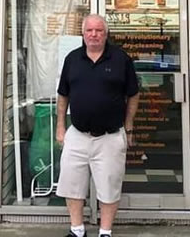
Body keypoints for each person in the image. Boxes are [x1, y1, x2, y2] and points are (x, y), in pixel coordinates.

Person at [56, 14, 139, 237]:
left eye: (99, 30)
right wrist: (61, 126)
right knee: (72, 185)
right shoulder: (72, 59)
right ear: (83, 34)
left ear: (106, 33)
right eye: (89, 30)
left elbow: (133, 95)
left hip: (110, 136)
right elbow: (63, 95)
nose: (94, 34)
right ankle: (77, 230)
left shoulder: (121, 59)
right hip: (78, 134)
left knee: (109, 187)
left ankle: (105, 232)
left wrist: (128, 127)